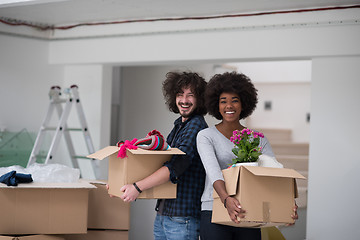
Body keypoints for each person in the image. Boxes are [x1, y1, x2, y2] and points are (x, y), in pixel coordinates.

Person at [196, 71, 298, 240]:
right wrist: (226, 199)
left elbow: (273, 171)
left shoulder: (257, 138)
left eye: (234, 100)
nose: (229, 106)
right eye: (223, 101)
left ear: (244, 104)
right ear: (216, 105)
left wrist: (287, 202)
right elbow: (213, 172)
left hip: (248, 209)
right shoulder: (206, 136)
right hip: (214, 209)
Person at [119, 71, 208, 240]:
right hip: (165, 212)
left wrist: (136, 187)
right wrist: (123, 185)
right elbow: (158, 165)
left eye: (190, 95)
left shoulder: (196, 125)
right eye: (180, 94)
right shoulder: (179, 126)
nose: (184, 100)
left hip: (182, 216)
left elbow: (175, 166)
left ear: (200, 99)